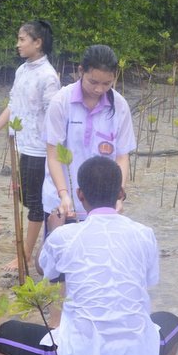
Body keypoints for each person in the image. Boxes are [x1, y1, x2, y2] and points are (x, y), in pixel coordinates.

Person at [0, 156, 178, 355]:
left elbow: (45, 272)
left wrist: (53, 231)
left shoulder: (66, 236)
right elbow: (149, 280)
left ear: (80, 196)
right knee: (173, 324)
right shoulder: (144, 233)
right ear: (120, 193)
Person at [0, 20, 61, 272]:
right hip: (22, 146)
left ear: (38, 43)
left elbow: (54, 117)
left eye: (22, 39)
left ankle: (26, 256)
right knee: (27, 201)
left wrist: (54, 152)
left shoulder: (48, 76)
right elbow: (13, 106)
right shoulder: (22, 70)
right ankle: (32, 250)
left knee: (36, 204)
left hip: (39, 150)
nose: (17, 45)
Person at [42, 44, 135, 222]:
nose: (99, 89)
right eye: (93, 82)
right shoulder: (61, 102)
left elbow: (122, 157)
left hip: (101, 205)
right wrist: (63, 195)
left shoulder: (120, 106)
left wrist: (118, 195)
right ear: (80, 72)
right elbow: (53, 155)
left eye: (107, 83)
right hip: (62, 201)